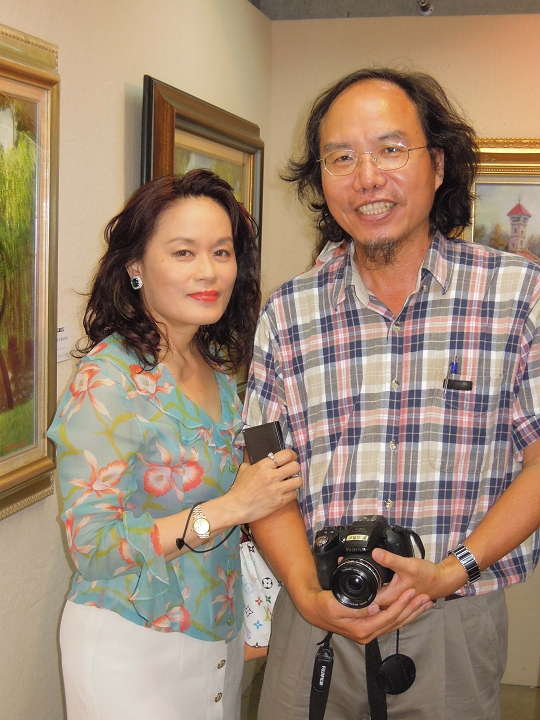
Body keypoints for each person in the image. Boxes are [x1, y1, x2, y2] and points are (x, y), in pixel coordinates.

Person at [243, 68, 540, 720]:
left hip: (452, 621)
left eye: (390, 149)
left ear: (438, 165)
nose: (368, 177)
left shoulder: (518, 296)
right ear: (322, 178)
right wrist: (305, 590)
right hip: (315, 616)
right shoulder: (287, 314)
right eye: (341, 158)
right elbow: (263, 472)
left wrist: (452, 569)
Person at [47, 169, 301, 720]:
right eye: (184, 252)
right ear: (135, 266)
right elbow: (92, 546)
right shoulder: (108, 381)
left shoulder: (213, 367)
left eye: (221, 252)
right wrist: (232, 507)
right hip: (133, 642)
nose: (208, 271)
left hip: (216, 635)